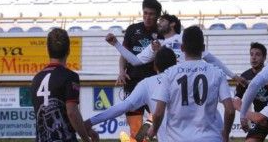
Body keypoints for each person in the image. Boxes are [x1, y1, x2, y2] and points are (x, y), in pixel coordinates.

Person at [106, 13, 247, 88]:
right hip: (169, 87)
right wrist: (116, 44)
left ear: (173, 23)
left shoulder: (185, 38)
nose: (159, 23)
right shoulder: (156, 44)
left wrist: (233, 76)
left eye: (162, 21)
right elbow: (135, 61)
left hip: (190, 85)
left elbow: (211, 58)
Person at [116, 0, 162, 142]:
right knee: (137, 135)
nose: (148, 17)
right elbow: (124, 56)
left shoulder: (162, 33)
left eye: (152, 14)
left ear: (158, 16)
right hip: (133, 84)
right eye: (145, 13)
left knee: (154, 124)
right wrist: (121, 71)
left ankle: (151, 122)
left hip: (153, 85)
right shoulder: (133, 30)